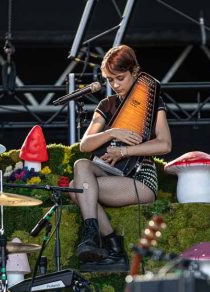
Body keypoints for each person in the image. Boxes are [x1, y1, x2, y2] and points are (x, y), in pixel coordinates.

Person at [69, 45, 172, 272]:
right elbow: (85, 145)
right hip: (107, 171)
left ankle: (108, 245)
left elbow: (164, 144)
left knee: (76, 188)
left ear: (135, 71)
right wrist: (111, 132)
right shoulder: (106, 105)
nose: (115, 85)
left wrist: (124, 152)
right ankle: (102, 240)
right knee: (80, 166)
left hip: (139, 179)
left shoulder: (152, 103)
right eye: (110, 80)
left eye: (120, 78)